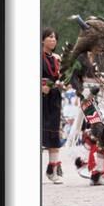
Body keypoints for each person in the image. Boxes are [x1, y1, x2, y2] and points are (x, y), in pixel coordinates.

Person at [62, 15, 104, 186]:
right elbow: (73, 78)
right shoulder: (81, 58)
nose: (101, 43)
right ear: (90, 39)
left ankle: (98, 173)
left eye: (103, 39)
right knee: (97, 126)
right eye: (98, 39)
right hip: (86, 94)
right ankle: (82, 159)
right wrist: (80, 92)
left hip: (103, 96)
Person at [41, 28, 64, 184]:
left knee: (54, 133)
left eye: (55, 37)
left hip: (54, 97)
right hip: (41, 97)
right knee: (39, 133)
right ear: (42, 40)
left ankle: (53, 170)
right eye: (50, 37)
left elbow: (61, 76)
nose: (53, 40)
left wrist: (62, 84)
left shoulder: (57, 58)